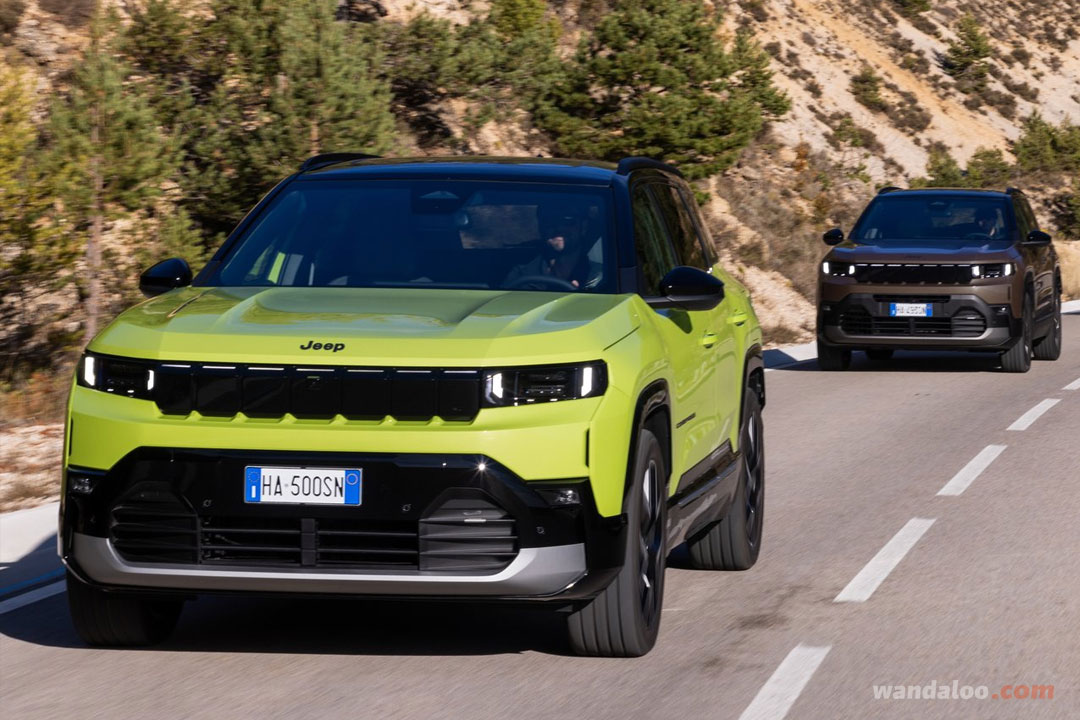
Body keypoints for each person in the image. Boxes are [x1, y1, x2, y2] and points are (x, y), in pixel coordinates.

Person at [504, 204, 595, 289]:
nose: (559, 228)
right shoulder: (521, 275)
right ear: (541, 227)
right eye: (550, 220)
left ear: (584, 226)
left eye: (567, 220)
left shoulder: (598, 277)